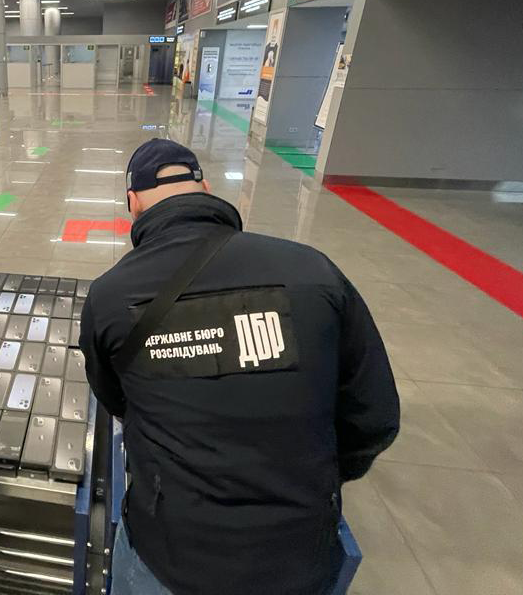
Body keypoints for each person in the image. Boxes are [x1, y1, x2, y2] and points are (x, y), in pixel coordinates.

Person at [79, 138, 400, 595]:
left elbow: (116, 400)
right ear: (206, 188)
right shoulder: (312, 271)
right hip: (298, 555)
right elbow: (374, 416)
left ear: (133, 203)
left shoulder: (111, 295)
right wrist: (314, 476)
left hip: (171, 556)